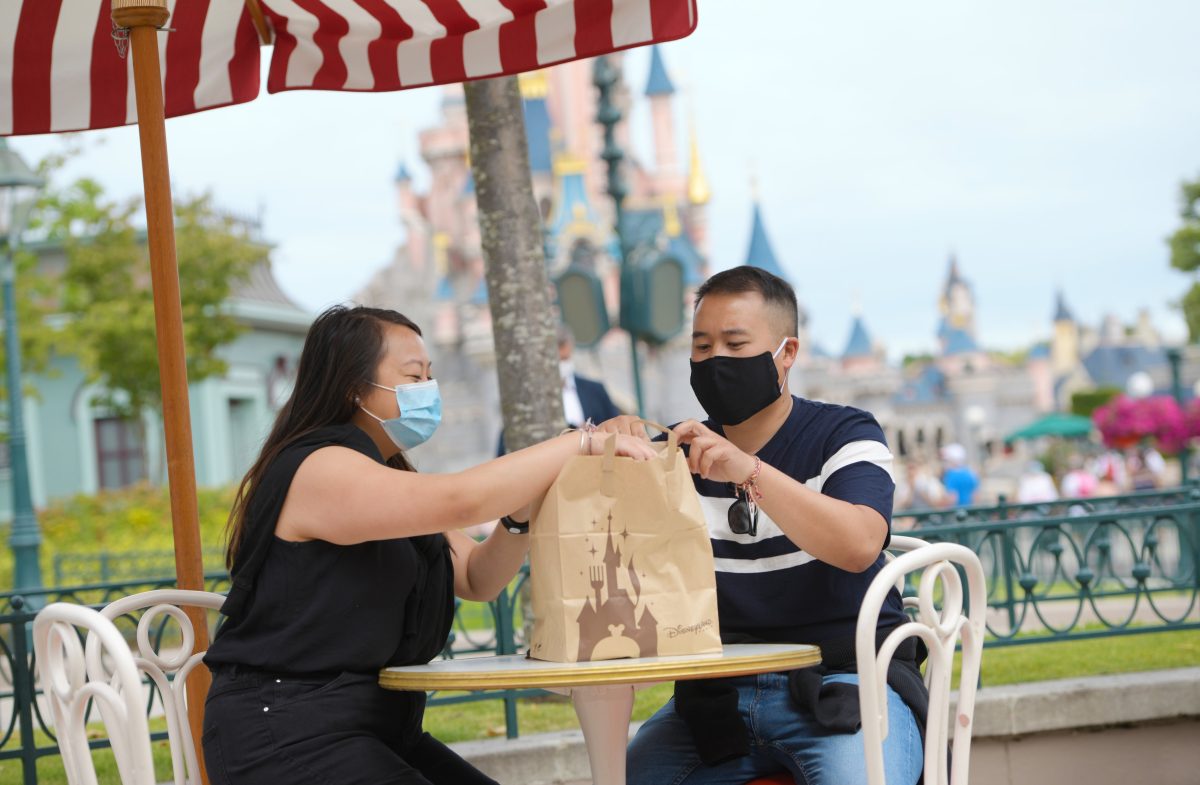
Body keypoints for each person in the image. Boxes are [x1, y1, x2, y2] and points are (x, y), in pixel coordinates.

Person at [201, 305, 654, 785]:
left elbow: (479, 577)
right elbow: (461, 500)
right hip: (285, 728)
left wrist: (519, 517)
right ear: (354, 387)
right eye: (413, 376)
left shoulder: (386, 476)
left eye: (430, 376)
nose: (428, 391)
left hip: (379, 727)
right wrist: (578, 441)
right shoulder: (319, 468)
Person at [602, 267, 923, 785]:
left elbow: (861, 544)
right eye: (701, 347)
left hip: (846, 680)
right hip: (716, 695)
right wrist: (605, 461)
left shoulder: (845, 434)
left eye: (734, 343)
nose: (714, 361)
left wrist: (747, 470)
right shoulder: (676, 455)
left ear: (787, 353)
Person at [497, 325, 621, 455]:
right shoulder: (524, 403)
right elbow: (503, 453)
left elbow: (616, 430)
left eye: (565, 359)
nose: (562, 365)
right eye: (557, 360)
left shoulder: (595, 390)